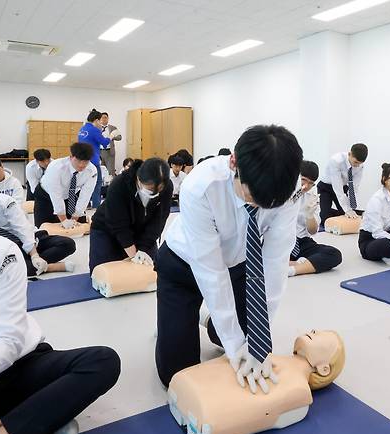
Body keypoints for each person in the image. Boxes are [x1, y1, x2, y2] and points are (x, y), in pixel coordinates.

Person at [155, 125, 303, 394]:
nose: (258, 207)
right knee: (176, 375)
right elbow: (211, 272)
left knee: (241, 337)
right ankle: (178, 321)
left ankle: (210, 322)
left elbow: (275, 265)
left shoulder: (288, 188)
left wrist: (260, 341)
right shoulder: (200, 186)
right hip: (183, 265)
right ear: (234, 163)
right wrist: (236, 347)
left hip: (238, 263)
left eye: (267, 204)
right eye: (251, 197)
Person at [0, 231, 120, 434]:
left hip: (18, 365)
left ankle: (3, 432)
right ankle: (24, 425)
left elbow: (4, 341)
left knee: (102, 361)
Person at [168, 330, 345, 434]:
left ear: (324, 369)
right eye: (316, 330)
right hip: (195, 388)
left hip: (208, 410)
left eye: (322, 336)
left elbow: (261, 406)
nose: (314, 331)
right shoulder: (273, 357)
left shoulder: (299, 389)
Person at [0, 167, 76, 277]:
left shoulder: (3, 201)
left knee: (68, 244)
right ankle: (49, 267)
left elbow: (22, 228)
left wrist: (34, 255)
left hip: (26, 239)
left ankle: (29, 263)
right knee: (3, 268)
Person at [89, 158, 172, 273]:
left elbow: (159, 220)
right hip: (108, 229)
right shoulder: (119, 184)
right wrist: (134, 256)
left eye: (159, 189)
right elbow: (118, 224)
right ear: (139, 178)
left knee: (151, 272)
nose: (154, 193)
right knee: (102, 273)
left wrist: (143, 249)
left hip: (141, 230)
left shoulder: (167, 187)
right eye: (151, 188)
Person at [288, 161, 342, 277]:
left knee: (334, 254)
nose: (306, 186)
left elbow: (312, 231)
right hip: (282, 241)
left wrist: (309, 216)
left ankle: (293, 269)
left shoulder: (312, 196)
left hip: (301, 241)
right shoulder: (283, 191)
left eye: (311, 183)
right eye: (303, 180)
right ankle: (301, 263)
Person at [34, 142, 97, 228]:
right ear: (71, 157)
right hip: (46, 195)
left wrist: (75, 218)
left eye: (85, 162)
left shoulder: (92, 170)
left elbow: (86, 195)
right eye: (78, 161)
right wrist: (63, 220)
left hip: (69, 196)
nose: (82, 165)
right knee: (43, 228)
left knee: (80, 225)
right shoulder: (56, 167)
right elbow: (56, 194)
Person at [317, 143, 368, 227]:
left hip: (343, 186)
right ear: (349, 154)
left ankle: (335, 211)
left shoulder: (360, 166)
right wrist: (347, 209)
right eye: (355, 162)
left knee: (347, 215)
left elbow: (354, 188)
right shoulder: (336, 161)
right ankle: (325, 210)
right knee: (325, 219)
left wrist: (350, 208)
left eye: (359, 163)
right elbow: (337, 187)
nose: (357, 165)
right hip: (326, 187)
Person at [78, 109, 113, 208]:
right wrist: (111, 136)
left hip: (82, 161)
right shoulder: (94, 130)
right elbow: (105, 142)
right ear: (97, 120)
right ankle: (96, 205)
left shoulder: (83, 129)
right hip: (93, 161)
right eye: (100, 121)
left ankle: (86, 204)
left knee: (84, 183)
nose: (101, 123)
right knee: (97, 183)